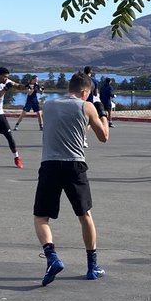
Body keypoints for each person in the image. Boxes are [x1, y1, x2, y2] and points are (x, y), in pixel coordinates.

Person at [36, 72, 110, 285]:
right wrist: (102, 113)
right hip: (74, 165)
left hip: (49, 164)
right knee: (84, 215)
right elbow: (104, 136)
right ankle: (92, 266)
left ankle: (51, 257)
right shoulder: (87, 106)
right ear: (85, 92)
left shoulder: (48, 105)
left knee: (41, 217)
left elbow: (68, 128)